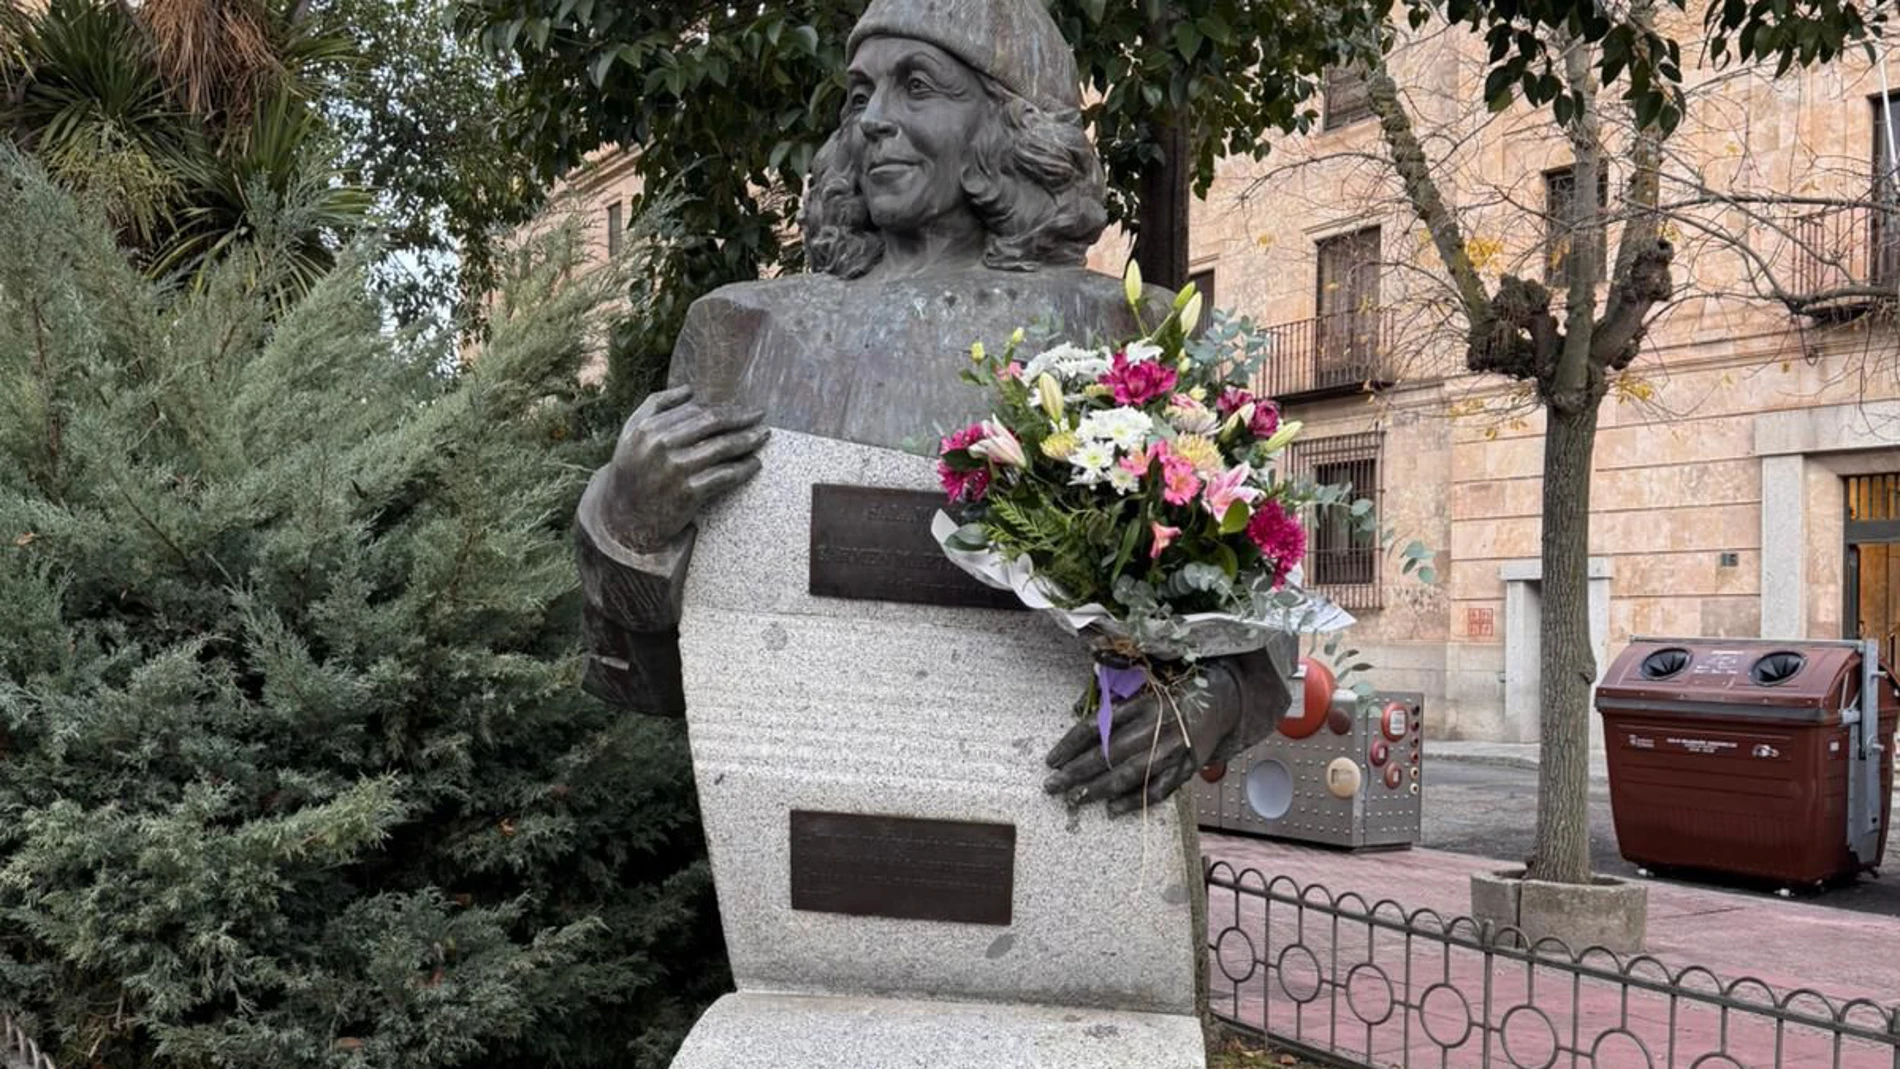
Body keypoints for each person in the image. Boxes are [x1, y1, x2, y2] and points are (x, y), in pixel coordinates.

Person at [574, 0, 1291, 814]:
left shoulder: (1127, 330)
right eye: (861, 94)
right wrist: (625, 525)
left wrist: (1213, 698)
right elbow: (662, 683)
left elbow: (1252, 599)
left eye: (917, 86)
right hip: (811, 813)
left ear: (1009, 122)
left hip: (1054, 820)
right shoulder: (743, 332)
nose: (874, 119)